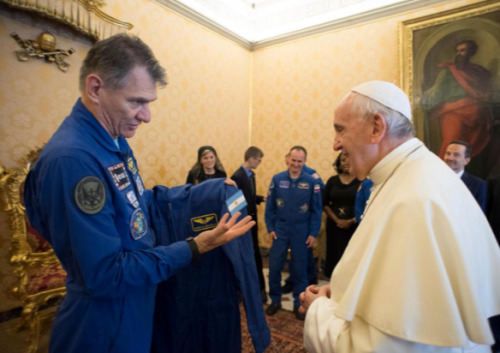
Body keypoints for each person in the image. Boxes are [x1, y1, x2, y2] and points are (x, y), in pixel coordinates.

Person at [23, 34, 255, 353]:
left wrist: (201, 193)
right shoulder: (73, 162)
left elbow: (140, 203)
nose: (146, 116)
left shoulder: (114, 140)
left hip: (134, 307)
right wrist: (193, 247)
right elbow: (106, 274)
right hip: (105, 325)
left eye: (148, 103)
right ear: (95, 89)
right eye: (136, 102)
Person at [300, 80, 500, 352]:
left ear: (376, 128)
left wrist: (317, 311)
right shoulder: (413, 174)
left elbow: (383, 346)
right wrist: (339, 295)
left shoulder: (414, 198)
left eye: (340, 129)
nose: (335, 144)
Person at [265, 146, 322, 320]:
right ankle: (275, 300)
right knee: (274, 267)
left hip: (301, 230)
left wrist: (313, 232)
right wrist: (271, 228)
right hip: (280, 230)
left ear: (304, 162)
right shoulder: (277, 179)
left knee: (299, 269)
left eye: (300, 161)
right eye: (293, 160)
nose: (296, 164)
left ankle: (300, 302)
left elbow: (316, 210)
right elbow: (270, 208)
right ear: (288, 159)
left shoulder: (312, 182)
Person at [421, 39, 493, 159]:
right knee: (450, 144)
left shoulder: (479, 72)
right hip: (454, 113)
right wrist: (424, 101)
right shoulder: (447, 72)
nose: (459, 54)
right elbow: (436, 92)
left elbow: (486, 92)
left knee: (477, 147)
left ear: (471, 52)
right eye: (457, 51)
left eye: (463, 50)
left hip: (477, 116)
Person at [230, 146, 267, 302]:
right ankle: (250, 290)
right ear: (251, 158)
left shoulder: (251, 175)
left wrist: (259, 198)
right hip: (243, 223)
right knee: (247, 256)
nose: (259, 163)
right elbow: (234, 203)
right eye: (258, 160)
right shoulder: (237, 177)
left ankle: (258, 289)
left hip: (251, 222)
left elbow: (248, 196)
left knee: (254, 255)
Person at [322, 153, 361, 278]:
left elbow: (367, 204)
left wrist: (352, 220)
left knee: (351, 255)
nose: (346, 163)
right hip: (334, 225)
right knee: (334, 254)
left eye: (349, 159)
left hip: (354, 226)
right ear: (339, 163)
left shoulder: (362, 181)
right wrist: (337, 220)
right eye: (343, 160)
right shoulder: (332, 181)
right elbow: (324, 203)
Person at [444, 140, 487, 212]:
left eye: (456, 155)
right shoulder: (432, 180)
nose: (450, 158)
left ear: (466, 161)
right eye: (448, 153)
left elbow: (479, 215)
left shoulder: (478, 185)